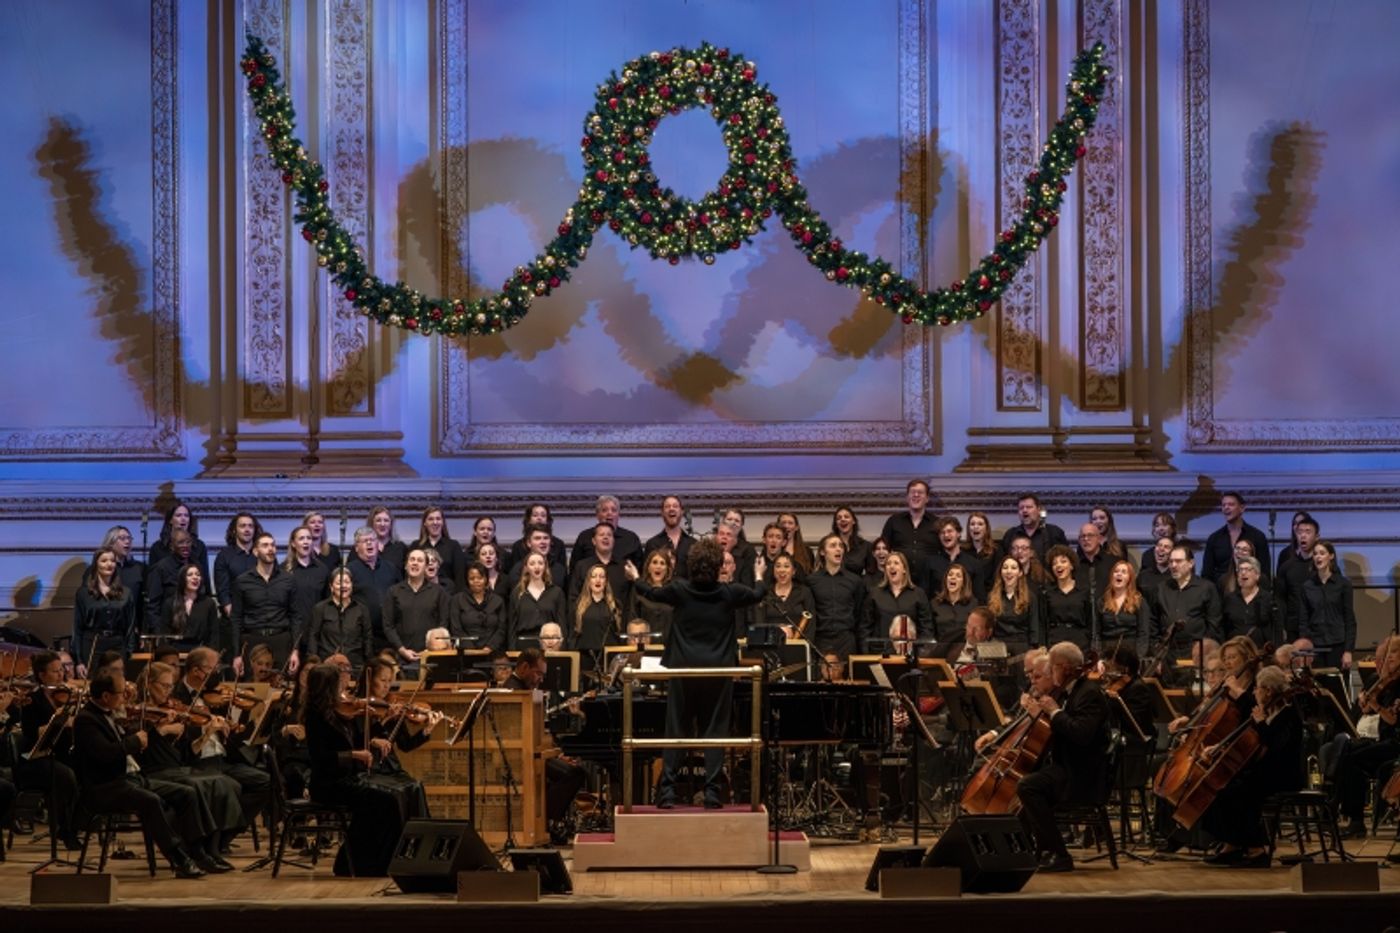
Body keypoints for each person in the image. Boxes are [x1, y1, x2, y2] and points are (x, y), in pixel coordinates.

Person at [624, 538, 765, 808]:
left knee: (676, 729)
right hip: (717, 672)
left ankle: (666, 794)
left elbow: (651, 594)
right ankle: (713, 794)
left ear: (692, 565)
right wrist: (759, 575)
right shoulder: (729, 593)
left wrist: (633, 577)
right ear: (717, 567)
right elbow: (758, 594)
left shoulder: (680, 589)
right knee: (715, 732)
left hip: (684, 670)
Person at [72, 671, 208, 878]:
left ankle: (198, 851)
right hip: (104, 787)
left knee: (186, 793)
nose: (126, 697)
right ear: (106, 696)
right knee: (150, 801)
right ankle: (179, 859)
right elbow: (105, 753)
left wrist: (155, 730)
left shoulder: (110, 713)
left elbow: (134, 743)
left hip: (130, 780)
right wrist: (134, 741)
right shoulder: (86, 720)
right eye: (121, 693)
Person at [135, 661, 244, 870]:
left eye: (170, 687)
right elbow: (136, 748)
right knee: (202, 785)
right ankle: (199, 852)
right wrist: (162, 731)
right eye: (164, 686)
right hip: (154, 772)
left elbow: (188, 753)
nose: (168, 692)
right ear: (148, 684)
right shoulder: (138, 713)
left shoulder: (172, 711)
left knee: (225, 783)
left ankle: (213, 849)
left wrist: (208, 733)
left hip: (177, 768)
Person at [302, 662, 409, 876]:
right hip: (328, 784)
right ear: (326, 688)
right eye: (338, 685)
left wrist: (373, 740)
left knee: (395, 795)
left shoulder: (341, 712)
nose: (343, 689)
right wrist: (353, 755)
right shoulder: (315, 717)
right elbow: (321, 758)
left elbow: (356, 740)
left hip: (348, 779)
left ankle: (388, 859)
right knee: (384, 800)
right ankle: (360, 862)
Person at [1015, 641, 1110, 873]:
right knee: (1028, 781)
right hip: (1068, 767)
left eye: (1052, 666)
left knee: (1029, 786)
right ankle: (1027, 849)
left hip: (1083, 775)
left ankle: (1058, 854)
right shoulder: (1070, 691)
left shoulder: (1090, 694)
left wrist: (1054, 712)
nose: (1049, 671)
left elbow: (1081, 734)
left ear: (1065, 667)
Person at [1198, 665, 1304, 867]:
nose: (1254, 692)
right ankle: (1232, 844)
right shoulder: (1266, 711)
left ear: (1268, 691)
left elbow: (1276, 749)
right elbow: (1248, 741)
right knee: (1224, 786)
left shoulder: (1288, 715)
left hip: (1284, 776)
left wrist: (1261, 723)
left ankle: (1256, 850)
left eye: (1257, 688)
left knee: (1238, 791)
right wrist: (1219, 747)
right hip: (1266, 772)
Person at [503, 648, 588, 830]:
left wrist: (554, 754)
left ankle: (545, 819)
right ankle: (543, 821)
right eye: (538, 674)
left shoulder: (525, 690)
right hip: (522, 755)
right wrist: (552, 755)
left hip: (534, 751)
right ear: (524, 667)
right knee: (574, 774)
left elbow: (536, 733)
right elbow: (522, 734)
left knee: (573, 771)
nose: (541, 679)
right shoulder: (514, 691)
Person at [1333, 634, 1400, 838]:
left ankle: (1355, 820)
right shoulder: (1387, 681)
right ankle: (1346, 813)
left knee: (1354, 758)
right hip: (1385, 740)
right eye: (1389, 653)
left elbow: (1393, 720)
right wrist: (1366, 703)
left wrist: (1375, 705)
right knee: (1348, 751)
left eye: (1395, 653)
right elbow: (1365, 709)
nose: (1389, 658)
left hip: (1396, 742)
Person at [16, 651, 81, 850]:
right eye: (55, 671)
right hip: (35, 760)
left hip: (60, 755)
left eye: (62, 669)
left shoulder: (66, 695)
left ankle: (77, 825)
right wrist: (58, 721)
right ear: (42, 675)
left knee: (86, 770)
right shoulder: (31, 700)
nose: (61, 674)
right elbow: (30, 733)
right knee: (65, 776)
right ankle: (65, 829)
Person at [231, 532, 303, 675]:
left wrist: (296, 650)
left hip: (281, 640)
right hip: (252, 640)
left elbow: (296, 617)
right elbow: (236, 618)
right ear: (255, 551)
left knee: (281, 689)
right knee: (251, 690)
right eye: (265, 545)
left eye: (273, 545)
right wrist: (236, 654)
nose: (270, 549)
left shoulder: (288, 580)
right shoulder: (242, 581)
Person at [1151, 545, 1223, 671]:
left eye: (1178, 561)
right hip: (1167, 654)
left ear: (1191, 563)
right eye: (1171, 561)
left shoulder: (1206, 587)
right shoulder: (1161, 588)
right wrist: (1156, 654)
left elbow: (1214, 624)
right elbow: (1153, 623)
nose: (1173, 565)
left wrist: (1205, 653)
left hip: (1196, 653)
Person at [74, 546, 139, 671]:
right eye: (104, 561)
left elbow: (130, 626)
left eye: (112, 561)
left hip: (117, 644)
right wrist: (79, 661)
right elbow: (77, 627)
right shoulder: (83, 593)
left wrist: (129, 652)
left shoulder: (126, 593)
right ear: (96, 565)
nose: (109, 564)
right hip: (93, 643)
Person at [383, 548, 452, 665]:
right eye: (412, 559)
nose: (415, 563)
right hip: (401, 657)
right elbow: (388, 626)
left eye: (420, 560)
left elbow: (443, 624)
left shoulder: (438, 592)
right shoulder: (393, 592)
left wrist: (431, 648)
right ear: (406, 565)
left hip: (430, 656)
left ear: (425, 567)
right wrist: (402, 650)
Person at [806, 533, 871, 658]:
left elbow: (859, 612)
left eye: (841, 546)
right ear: (822, 552)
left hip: (846, 639)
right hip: (821, 639)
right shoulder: (812, 581)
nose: (838, 549)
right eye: (833, 546)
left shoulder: (855, 580)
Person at [1297, 540, 1356, 670]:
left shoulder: (1343, 584)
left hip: (1337, 644)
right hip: (1315, 645)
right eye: (1315, 554)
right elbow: (1303, 620)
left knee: (1337, 687)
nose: (1318, 557)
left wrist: (1348, 651)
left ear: (1331, 556)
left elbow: (1349, 619)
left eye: (1322, 553)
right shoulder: (1307, 586)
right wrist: (1304, 647)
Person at [346, 526, 403, 656]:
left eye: (372, 540)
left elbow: (401, 595)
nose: (370, 543)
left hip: (388, 634)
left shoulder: (390, 568)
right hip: (361, 635)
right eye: (365, 541)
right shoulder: (350, 571)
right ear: (356, 547)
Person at [866, 551, 934, 654]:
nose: (891, 566)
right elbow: (865, 627)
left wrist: (921, 652)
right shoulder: (874, 593)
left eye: (896, 563)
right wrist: (866, 655)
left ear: (904, 570)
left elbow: (926, 627)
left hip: (910, 655)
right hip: (880, 654)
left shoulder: (918, 594)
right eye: (888, 564)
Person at [308, 566, 372, 671]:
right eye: (339, 583)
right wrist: (314, 664)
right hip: (326, 667)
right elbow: (313, 637)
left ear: (352, 585)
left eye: (347, 582)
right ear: (331, 587)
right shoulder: (320, 609)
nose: (343, 586)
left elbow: (367, 638)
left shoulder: (361, 609)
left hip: (354, 666)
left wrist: (367, 663)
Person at [1201, 492, 1269, 586]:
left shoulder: (1257, 536)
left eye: (1231, 504)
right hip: (1220, 595)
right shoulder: (1214, 539)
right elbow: (1206, 574)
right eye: (1223, 505)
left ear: (1242, 508)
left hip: (1250, 594)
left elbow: (1264, 572)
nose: (1226, 507)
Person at [880, 479, 940, 581]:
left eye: (920, 492)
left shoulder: (937, 523)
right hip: (899, 581)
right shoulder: (894, 521)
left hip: (930, 581)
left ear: (927, 498)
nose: (916, 495)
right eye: (912, 492)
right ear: (907, 497)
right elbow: (883, 549)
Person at [750, 552, 815, 641]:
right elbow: (758, 623)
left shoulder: (804, 592)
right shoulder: (765, 593)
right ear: (773, 571)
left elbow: (811, 625)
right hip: (770, 646)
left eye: (786, 566)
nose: (781, 570)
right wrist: (777, 629)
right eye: (778, 566)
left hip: (798, 646)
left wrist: (801, 646)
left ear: (794, 571)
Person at [570, 495, 644, 574]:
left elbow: (640, 571)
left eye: (614, 510)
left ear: (618, 515)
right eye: (604, 510)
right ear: (597, 515)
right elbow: (574, 570)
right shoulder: (585, 537)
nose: (609, 513)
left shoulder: (631, 539)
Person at [1274, 515, 1320, 640]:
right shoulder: (1287, 567)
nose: (1303, 536)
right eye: (1299, 532)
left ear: (1317, 537)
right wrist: (1282, 626)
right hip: (1293, 627)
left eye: (1307, 532)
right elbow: (1280, 599)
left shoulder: (1322, 566)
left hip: (1318, 627)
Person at [571, 563, 624, 668]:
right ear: (588, 581)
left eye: (602, 576)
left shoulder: (615, 604)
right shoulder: (579, 605)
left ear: (606, 581)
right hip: (586, 656)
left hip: (609, 656)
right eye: (594, 576)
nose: (598, 580)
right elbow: (574, 632)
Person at [509, 551, 567, 648]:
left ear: (545, 566)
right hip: (524, 644)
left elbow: (562, 624)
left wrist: (563, 648)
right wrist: (512, 650)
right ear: (526, 568)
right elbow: (512, 626)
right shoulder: (517, 594)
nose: (537, 567)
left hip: (550, 645)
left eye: (540, 563)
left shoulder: (557, 592)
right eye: (532, 564)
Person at [149, 500, 212, 587]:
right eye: (178, 515)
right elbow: (152, 580)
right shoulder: (157, 547)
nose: (183, 518)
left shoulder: (199, 546)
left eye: (186, 515)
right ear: (170, 520)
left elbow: (204, 577)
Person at [1221, 555, 1280, 647]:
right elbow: (1223, 628)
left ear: (1257, 575)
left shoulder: (1268, 599)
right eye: (1240, 570)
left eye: (1248, 569)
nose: (1243, 573)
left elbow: (1277, 629)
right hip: (1235, 652)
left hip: (1262, 652)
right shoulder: (1230, 599)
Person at [988, 554, 1041, 655]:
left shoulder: (1030, 597)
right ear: (1000, 572)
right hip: (998, 647)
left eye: (1013, 568)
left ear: (1020, 573)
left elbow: (1034, 627)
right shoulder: (992, 597)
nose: (1009, 571)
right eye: (1005, 568)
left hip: (1022, 646)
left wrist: (1033, 650)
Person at [449, 561, 507, 652]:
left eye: (480, 578)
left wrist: (490, 647)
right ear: (467, 580)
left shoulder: (497, 601)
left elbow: (502, 629)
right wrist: (471, 649)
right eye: (472, 578)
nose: (476, 581)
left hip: (493, 651)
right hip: (466, 652)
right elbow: (456, 629)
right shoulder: (457, 600)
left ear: (486, 579)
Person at [160, 563, 221, 650]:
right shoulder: (170, 603)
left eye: (198, 575)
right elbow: (164, 633)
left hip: (201, 652)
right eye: (190, 575)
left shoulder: (208, 603)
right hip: (175, 652)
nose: (195, 577)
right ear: (182, 579)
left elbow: (214, 634)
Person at [214, 513, 262, 622]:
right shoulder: (224, 556)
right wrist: (232, 615)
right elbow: (223, 591)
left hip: (261, 617)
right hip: (234, 618)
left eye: (250, 526)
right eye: (242, 526)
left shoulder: (262, 554)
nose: (247, 529)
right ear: (234, 530)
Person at [1099, 560, 1151, 658]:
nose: (1119, 574)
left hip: (1130, 654)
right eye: (1116, 571)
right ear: (1111, 576)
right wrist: (1098, 658)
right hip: (1106, 653)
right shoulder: (1102, 601)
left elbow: (1143, 633)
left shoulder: (1139, 602)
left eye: (1124, 572)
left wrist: (1139, 656)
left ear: (1130, 578)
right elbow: (1096, 633)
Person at [1043, 545, 1090, 650]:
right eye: (1054, 563)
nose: (1058, 565)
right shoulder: (1047, 592)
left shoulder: (1084, 590)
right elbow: (1044, 622)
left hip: (1080, 642)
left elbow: (1090, 622)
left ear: (1072, 565)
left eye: (1063, 561)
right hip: (1055, 642)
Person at [925, 516, 979, 601]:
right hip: (938, 611)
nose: (946, 535)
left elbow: (979, 597)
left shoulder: (973, 563)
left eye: (950, 531)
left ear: (959, 533)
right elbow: (925, 595)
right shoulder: (930, 563)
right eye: (942, 532)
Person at [1001, 493, 1068, 561]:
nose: (1024, 510)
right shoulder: (1010, 535)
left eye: (1029, 507)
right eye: (1021, 508)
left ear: (1038, 510)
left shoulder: (1054, 533)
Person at [413, 506, 466, 589]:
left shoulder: (453, 546)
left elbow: (460, 578)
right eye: (431, 519)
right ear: (425, 523)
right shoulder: (416, 546)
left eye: (438, 519)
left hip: (448, 595)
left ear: (443, 522)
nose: (435, 522)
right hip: (420, 594)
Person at [644, 494, 695, 578]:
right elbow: (646, 576)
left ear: (681, 512)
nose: (671, 509)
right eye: (667, 506)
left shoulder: (693, 544)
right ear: (662, 513)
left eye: (675, 506)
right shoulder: (652, 544)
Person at [631, 549, 677, 641]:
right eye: (655, 562)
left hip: (670, 647)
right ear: (648, 567)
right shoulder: (638, 591)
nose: (658, 566)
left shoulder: (673, 591)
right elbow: (632, 619)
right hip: (646, 646)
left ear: (667, 569)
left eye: (662, 563)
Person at [508, 504, 568, 573]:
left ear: (548, 520)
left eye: (543, 515)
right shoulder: (518, 546)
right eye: (535, 515)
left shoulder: (559, 544)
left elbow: (562, 572)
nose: (539, 518)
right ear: (529, 519)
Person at [931, 564, 976, 640]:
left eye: (958, 576)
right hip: (942, 647)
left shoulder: (973, 603)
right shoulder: (935, 603)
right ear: (946, 580)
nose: (953, 577)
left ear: (963, 583)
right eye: (950, 575)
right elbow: (930, 631)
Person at [963, 511, 1001, 601]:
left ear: (986, 528)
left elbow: (998, 577)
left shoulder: (996, 550)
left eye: (980, 524)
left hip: (990, 598)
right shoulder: (962, 551)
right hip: (967, 599)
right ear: (968, 528)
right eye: (972, 524)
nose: (976, 527)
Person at [1073, 523, 1113, 602]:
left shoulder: (1113, 563)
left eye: (1090, 535)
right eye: (1082, 536)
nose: (1086, 539)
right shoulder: (1073, 565)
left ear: (1099, 539)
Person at [831, 505, 873, 577]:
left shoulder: (865, 546)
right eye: (839, 518)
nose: (842, 519)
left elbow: (871, 575)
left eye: (846, 517)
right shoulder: (829, 545)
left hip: (857, 586)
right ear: (836, 524)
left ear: (853, 521)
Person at [367, 505, 406, 571]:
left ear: (391, 524)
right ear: (372, 524)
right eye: (378, 520)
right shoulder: (361, 547)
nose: (382, 524)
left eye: (386, 520)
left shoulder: (401, 548)